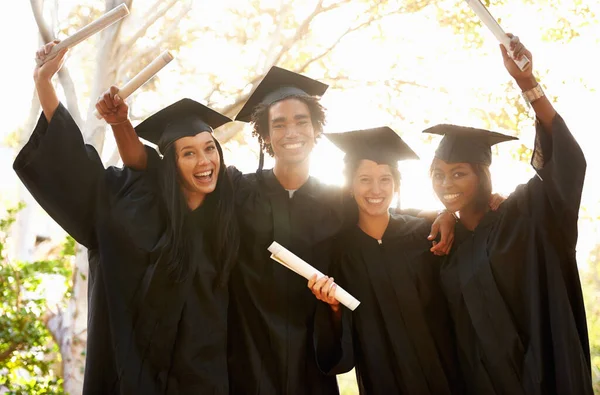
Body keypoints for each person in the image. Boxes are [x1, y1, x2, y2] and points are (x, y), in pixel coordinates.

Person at [109, 65, 457, 394]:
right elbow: (154, 166)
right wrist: (121, 123)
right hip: (248, 355)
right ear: (264, 134)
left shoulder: (336, 200)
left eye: (301, 121)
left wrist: (443, 214)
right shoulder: (237, 190)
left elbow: (385, 213)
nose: (291, 132)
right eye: (279, 124)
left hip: (310, 360)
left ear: (314, 129)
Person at [14, 40, 239, 394]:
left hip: (204, 379)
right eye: (189, 154)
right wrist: (45, 84)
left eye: (210, 148)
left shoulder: (231, 210)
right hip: (133, 378)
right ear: (171, 166)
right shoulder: (134, 211)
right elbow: (80, 167)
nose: (205, 162)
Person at [425, 35, 592, 394]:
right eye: (438, 173)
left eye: (459, 172)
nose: (446, 183)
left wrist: (527, 83)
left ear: (483, 174)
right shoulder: (445, 248)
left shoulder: (526, 215)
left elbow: (568, 163)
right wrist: (443, 214)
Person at [308, 127, 464, 394]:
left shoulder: (424, 235)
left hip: (445, 372)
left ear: (396, 184)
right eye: (365, 179)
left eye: (385, 179)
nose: (375, 189)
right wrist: (333, 309)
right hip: (383, 377)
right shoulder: (339, 252)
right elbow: (340, 333)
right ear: (350, 185)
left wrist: (451, 213)